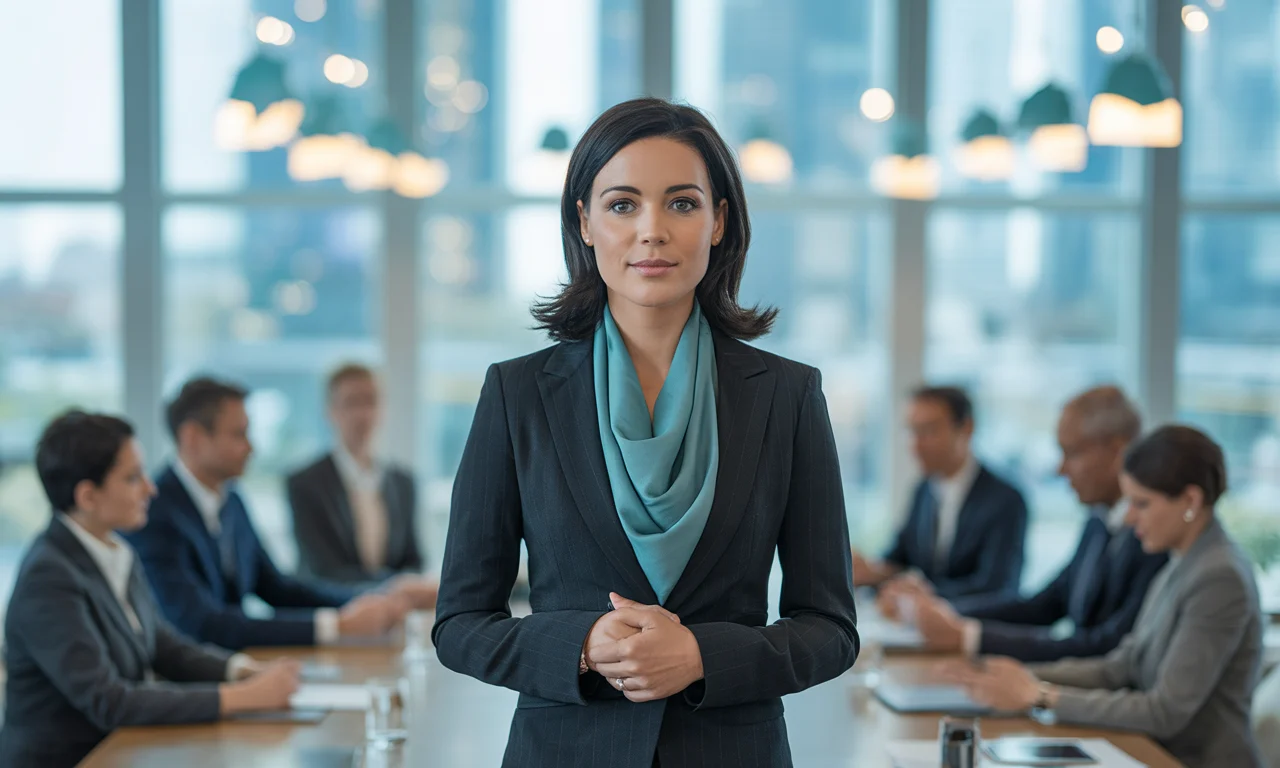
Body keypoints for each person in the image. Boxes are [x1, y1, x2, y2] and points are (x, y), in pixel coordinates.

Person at [431, 98, 858, 768]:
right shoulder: (517, 394)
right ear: (586, 222)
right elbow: (459, 625)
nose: (652, 230)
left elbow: (831, 630)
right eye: (623, 204)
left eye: (682, 204)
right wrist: (581, 645)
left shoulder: (787, 396)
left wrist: (701, 656)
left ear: (719, 220)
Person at [941, 425, 1264, 768]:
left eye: (1141, 503)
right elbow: (1121, 667)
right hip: (1152, 752)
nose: (1129, 516)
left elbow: (1165, 711)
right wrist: (1021, 676)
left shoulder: (1218, 577)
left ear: (1190, 501)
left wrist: (1040, 695)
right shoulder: (1183, 560)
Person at [0, 411, 301, 768]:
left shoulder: (112, 548)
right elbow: (109, 700)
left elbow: (161, 645)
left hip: (124, 750)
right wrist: (240, 697)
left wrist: (241, 670)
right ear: (88, 496)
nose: (150, 488)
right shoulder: (48, 577)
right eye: (132, 478)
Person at [127, 377, 414, 651]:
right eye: (239, 434)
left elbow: (277, 588)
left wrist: (370, 598)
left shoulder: (232, 502)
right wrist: (336, 626)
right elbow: (203, 624)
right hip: (190, 684)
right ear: (192, 438)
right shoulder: (153, 513)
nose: (251, 447)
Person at [910, 386, 1168, 661]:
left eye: (1072, 453)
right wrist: (945, 611)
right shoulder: (1100, 519)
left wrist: (970, 636)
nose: (1060, 469)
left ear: (1118, 452)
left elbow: (1107, 647)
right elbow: (1047, 604)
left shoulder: (1154, 538)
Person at [853, 386, 1028, 601]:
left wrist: (920, 598)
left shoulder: (1005, 500)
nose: (915, 445)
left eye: (928, 431)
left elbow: (997, 587)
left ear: (966, 428)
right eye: (912, 431)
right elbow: (900, 558)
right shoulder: (923, 490)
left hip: (973, 625)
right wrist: (870, 571)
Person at [286, 364, 433, 600]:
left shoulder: (403, 482)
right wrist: (396, 586)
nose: (362, 414)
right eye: (351, 402)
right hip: (332, 613)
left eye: (371, 401)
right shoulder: (304, 483)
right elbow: (321, 570)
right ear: (330, 411)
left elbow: (414, 560)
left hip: (392, 616)